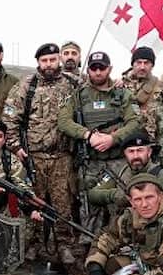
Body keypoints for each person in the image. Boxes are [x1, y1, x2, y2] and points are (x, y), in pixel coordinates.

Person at [2, 43, 77, 264]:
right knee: (33, 200)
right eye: (44, 61)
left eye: (53, 59)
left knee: (63, 202)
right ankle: (34, 243)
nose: (49, 64)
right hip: (33, 156)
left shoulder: (73, 83)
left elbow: (97, 89)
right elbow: (10, 117)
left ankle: (63, 244)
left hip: (63, 155)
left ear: (59, 60)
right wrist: (15, 146)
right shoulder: (26, 85)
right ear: (38, 63)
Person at [57, 51, 140, 242]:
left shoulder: (123, 94)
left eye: (102, 68)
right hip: (91, 162)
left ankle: (122, 246)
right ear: (88, 70)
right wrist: (88, 135)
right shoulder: (79, 96)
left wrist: (113, 138)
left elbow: (135, 122)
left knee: (120, 204)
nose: (97, 72)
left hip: (118, 161)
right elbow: (63, 121)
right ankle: (90, 247)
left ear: (109, 69)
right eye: (93, 68)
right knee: (89, 205)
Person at [87, 130, 163, 212]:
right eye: (131, 151)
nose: (135, 156)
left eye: (140, 150)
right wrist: (114, 196)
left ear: (149, 152)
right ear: (125, 154)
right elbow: (92, 194)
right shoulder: (120, 173)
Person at [119, 46, 160, 113]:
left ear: (152, 65)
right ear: (132, 64)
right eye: (139, 62)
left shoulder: (159, 86)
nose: (142, 67)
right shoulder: (119, 84)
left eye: (146, 63)